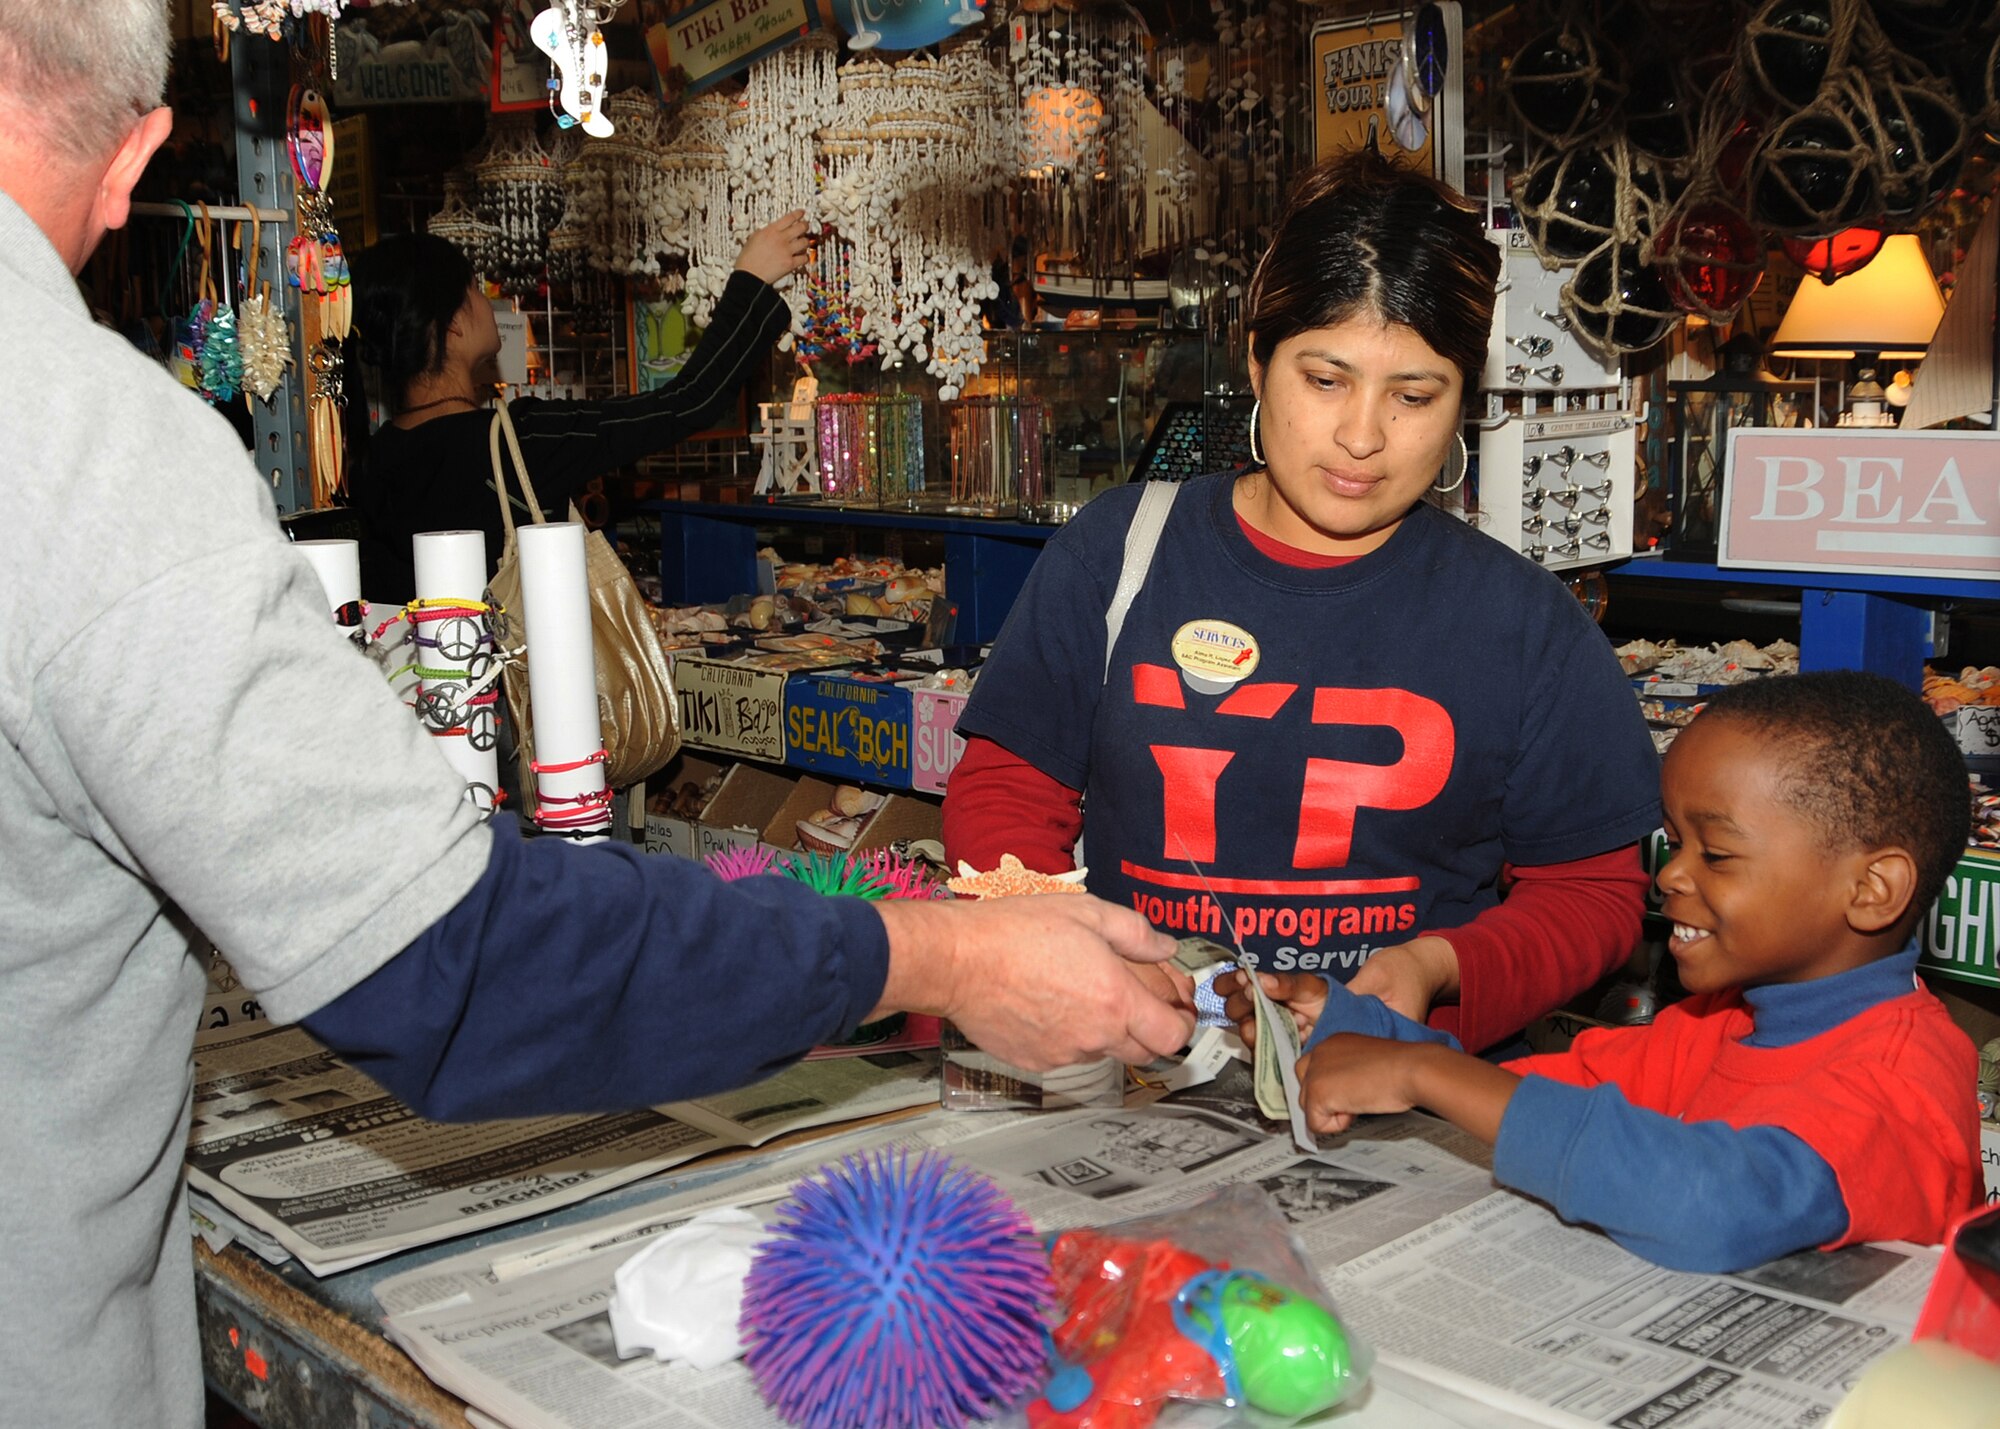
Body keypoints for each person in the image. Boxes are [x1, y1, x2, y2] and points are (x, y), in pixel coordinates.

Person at [0, 8, 1193, 1426]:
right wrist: (940, 948)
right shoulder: (82, 444)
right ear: (135, 161)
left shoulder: (358, 476)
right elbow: (451, 965)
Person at [944, 149, 1660, 1054]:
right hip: (1133, 1063)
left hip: (1398, 1093)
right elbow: (1006, 794)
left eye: (1414, 395)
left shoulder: (1523, 622)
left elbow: (1594, 894)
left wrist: (1441, 967)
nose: (1363, 436)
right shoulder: (1118, 551)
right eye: (1325, 380)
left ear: (1462, 402)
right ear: (1256, 362)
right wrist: (1057, 945)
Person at [1230, 672, 1980, 1271]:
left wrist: (1424, 1071)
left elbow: (1711, 1204)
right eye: (1673, 841)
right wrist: (1348, 1027)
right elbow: (1543, 1104)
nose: (1670, 877)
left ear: (1872, 889)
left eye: (1714, 853)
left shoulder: (1899, 1081)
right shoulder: (1714, 1022)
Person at [345, 214, 808, 603]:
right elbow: (686, 403)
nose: (486, 303)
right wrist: (751, 279)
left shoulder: (371, 460)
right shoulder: (517, 440)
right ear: (452, 326)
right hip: (521, 696)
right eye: (475, 291)